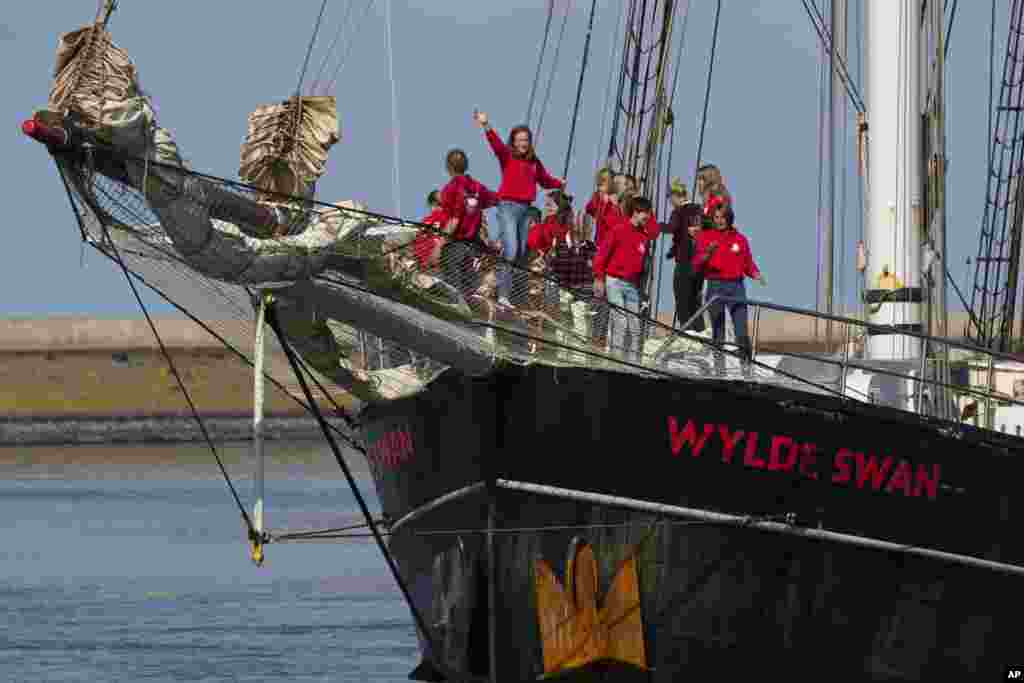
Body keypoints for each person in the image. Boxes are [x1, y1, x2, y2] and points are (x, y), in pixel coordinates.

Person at [473, 109, 565, 308]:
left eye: (526, 140)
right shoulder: (507, 156)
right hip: (508, 207)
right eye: (519, 139)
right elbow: (495, 144)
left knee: (522, 253)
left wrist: (559, 183)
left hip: (525, 210)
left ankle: (507, 293)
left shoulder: (533, 162)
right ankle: (501, 293)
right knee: (512, 249)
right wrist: (486, 124)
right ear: (513, 142)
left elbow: (545, 179)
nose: (523, 143)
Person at [692, 204, 766, 374]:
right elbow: (697, 263)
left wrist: (756, 274)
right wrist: (708, 253)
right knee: (718, 332)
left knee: (742, 331)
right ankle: (720, 371)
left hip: (736, 287)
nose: (719, 221)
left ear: (729, 218)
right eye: (716, 217)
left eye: (722, 217)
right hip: (715, 286)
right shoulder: (705, 237)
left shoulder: (740, 239)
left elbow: (748, 263)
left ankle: (746, 369)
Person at [593, 196, 658, 362]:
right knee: (620, 320)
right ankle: (616, 359)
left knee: (635, 326)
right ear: (635, 212)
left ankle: (632, 362)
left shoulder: (644, 236)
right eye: (645, 213)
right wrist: (599, 279)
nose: (648, 217)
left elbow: (655, 231)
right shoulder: (618, 230)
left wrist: (648, 218)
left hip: (631, 285)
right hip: (614, 280)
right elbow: (602, 255)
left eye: (649, 214)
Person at [438, 148, 498, 296]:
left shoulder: (450, 189)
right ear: (466, 166)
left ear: (448, 167)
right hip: (473, 248)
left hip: (454, 244)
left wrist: (439, 245)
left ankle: (453, 309)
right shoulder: (478, 187)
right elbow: (496, 199)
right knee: (467, 289)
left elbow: (454, 220)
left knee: (451, 288)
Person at [665, 178, 706, 332]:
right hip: (699, 264)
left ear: (676, 196)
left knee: (682, 299)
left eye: (669, 197)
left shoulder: (678, 212)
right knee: (696, 300)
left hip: (684, 263)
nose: (669, 201)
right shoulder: (699, 209)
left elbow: (672, 229)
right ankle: (701, 333)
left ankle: (687, 333)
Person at [412, 190, 449, 271]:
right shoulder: (447, 218)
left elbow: (417, 240)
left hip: (424, 262)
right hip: (436, 262)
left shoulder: (426, 220)